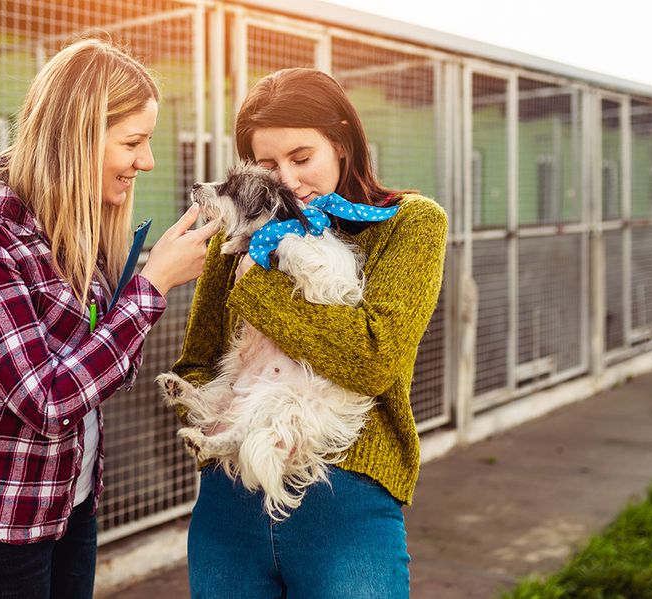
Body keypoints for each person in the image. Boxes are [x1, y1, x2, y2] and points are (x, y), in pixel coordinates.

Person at [0, 38, 217, 598]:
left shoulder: (71, 229)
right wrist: (152, 286)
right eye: (133, 142)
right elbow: (47, 402)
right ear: (78, 137)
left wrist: (137, 292)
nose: (147, 161)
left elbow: (94, 371)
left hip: (66, 502)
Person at [171, 67, 448, 597]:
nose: (287, 181)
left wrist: (260, 290)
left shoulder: (409, 224)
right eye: (266, 165)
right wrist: (225, 433)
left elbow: (372, 359)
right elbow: (197, 359)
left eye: (302, 159)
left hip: (345, 501)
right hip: (231, 498)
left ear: (342, 142)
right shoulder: (238, 232)